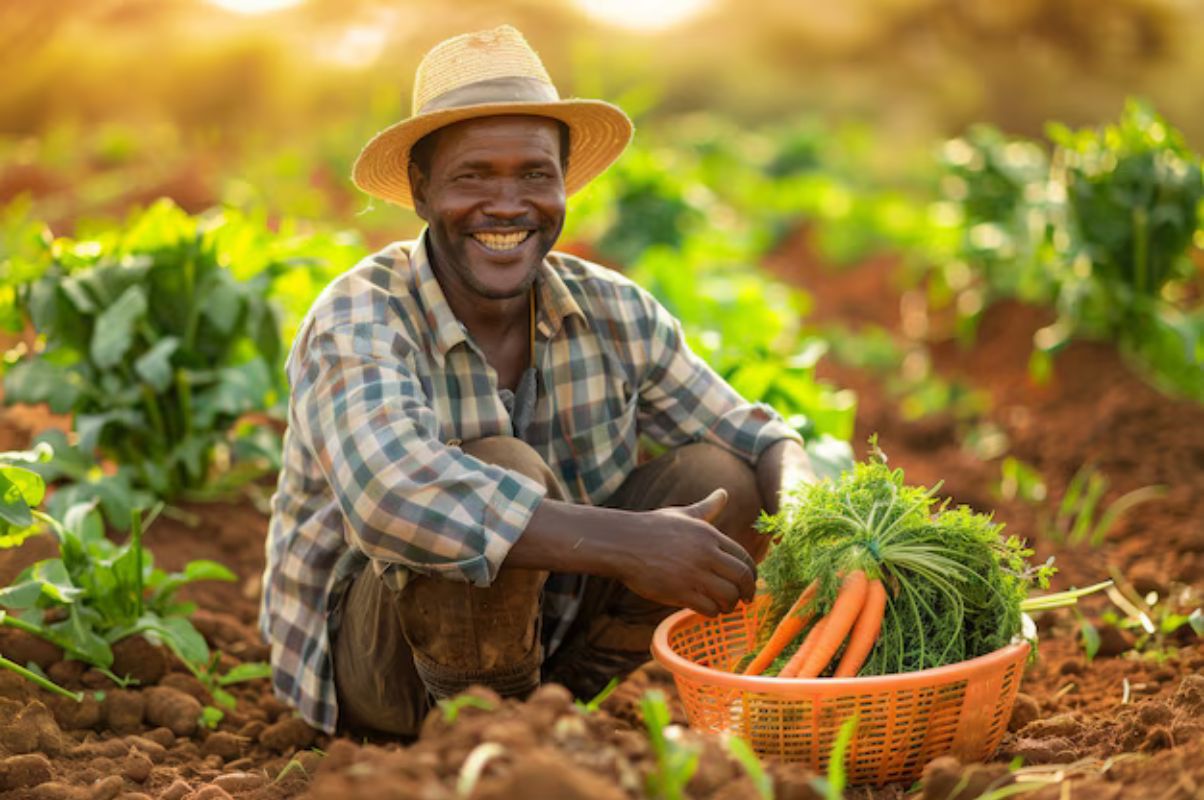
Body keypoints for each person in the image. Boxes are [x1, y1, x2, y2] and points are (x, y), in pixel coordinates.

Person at [259, 24, 813, 739]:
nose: (507, 203)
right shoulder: (362, 314)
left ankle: (547, 710)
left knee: (722, 478)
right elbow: (391, 494)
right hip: (377, 668)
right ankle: (477, 733)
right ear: (423, 193)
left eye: (534, 174)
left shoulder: (611, 308)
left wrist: (809, 519)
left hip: (545, 645)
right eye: (473, 176)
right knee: (497, 469)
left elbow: (757, 435)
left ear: (561, 186)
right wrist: (629, 543)